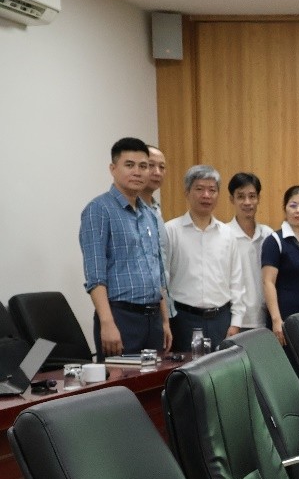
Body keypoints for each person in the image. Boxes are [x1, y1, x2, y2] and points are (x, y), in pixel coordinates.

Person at [79, 137, 171, 356]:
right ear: (113, 169)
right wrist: (107, 323)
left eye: (143, 166)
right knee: (121, 378)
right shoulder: (98, 210)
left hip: (153, 319)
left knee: (156, 377)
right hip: (120, 317)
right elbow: (95, 275)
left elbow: (158, 271)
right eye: (129, 165)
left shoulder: (149, 213)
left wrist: (165, 321)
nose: (137, 172)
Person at [164, 165, 247, 350]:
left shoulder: (228, 234)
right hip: (183, 320)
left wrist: (236, 322)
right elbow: (163, 280)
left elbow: (236, 281)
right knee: (185, 368)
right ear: (187, 192)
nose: (206, 195)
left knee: (222, 368)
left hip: (221, 320)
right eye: (199, 189)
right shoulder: (171, 231)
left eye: (212, 190)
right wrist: (166, 320)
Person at [262, 185, 299, 345]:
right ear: (285, 209)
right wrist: (276, 320)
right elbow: (268, 282)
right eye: (293, 205)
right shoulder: (274, 241)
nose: (298, 210)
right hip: (284, 317)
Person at [226, 172, 271, 331]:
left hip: (264, 319)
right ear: (232, 199)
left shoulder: (268, 235)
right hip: (235, 321)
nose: (247, 202)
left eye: (252, 196)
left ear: (259, 198)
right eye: (241, 196)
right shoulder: (224, 235)